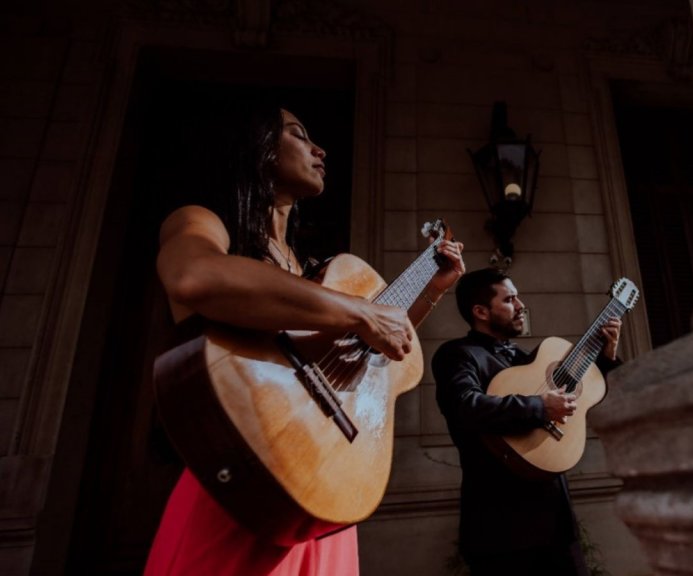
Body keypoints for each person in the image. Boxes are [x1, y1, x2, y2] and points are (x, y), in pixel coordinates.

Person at [144, 103, 465, 575]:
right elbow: (193, 276)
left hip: (323, 489)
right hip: (240, 486)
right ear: (258, 149)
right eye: (298, 134)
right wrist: (360, 313)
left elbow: (369, 356)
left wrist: (429, 292)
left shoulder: (308, 269)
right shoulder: (203, 222)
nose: (321, 149)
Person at [431, 268, 622, 576]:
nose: (521, 305)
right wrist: (539, 407)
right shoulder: (457, 355)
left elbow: (581, 392)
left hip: (557, 524)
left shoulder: (526, 360)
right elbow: (466, 406)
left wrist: (606, 358)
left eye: (518, 297)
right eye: (509, 299)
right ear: (480, 311)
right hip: (499, 528)